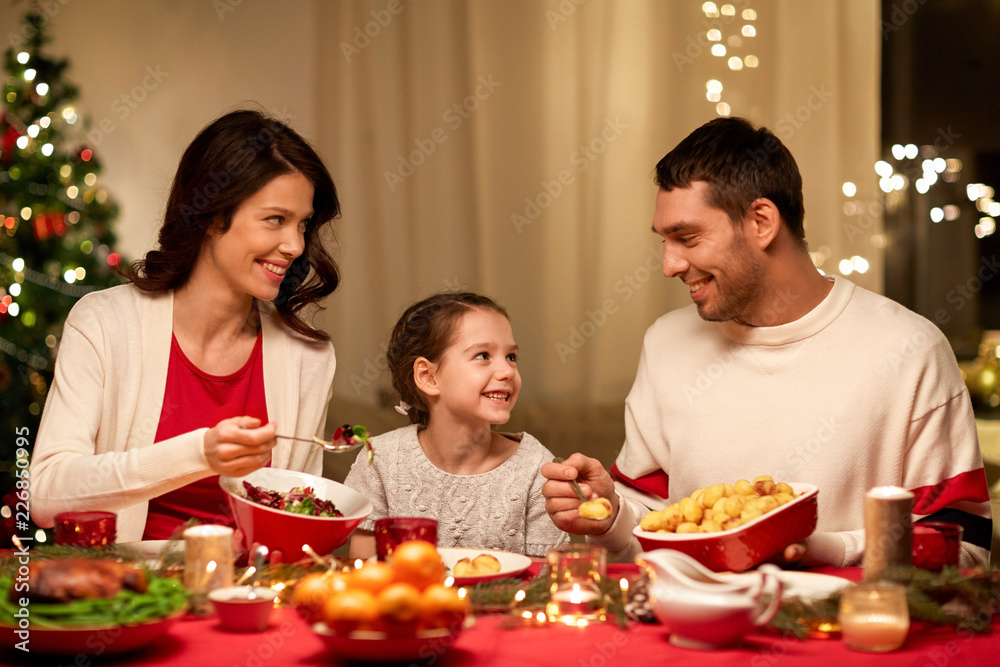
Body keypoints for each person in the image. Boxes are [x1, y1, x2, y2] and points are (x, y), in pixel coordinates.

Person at [541, 116, 991, 567]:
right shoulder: (666, 343)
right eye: (664, 240)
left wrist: (823, 549)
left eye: (687, 238)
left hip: (845, 630)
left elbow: (963, 544)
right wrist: (611, 515)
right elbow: (654, 527)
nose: (669, 264)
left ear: (761, 221)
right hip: (696, 630)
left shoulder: (911, 349)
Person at [30, 109, 341, 543]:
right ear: (212, 215)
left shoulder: (307, 357)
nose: (294, 246)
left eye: (303, 224)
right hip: (126, 593)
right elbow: (45, 494)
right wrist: (199, 454)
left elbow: (297, 518)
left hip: (244, 598)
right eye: (275, 219)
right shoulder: (104, 324)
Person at [344, 292, 568, 558]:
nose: (508, 371)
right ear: (428, 377)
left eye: (511, 357)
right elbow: (364, 574)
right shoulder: (378, 461)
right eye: (483, 355)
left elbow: (547, 579)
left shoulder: (537, 467)